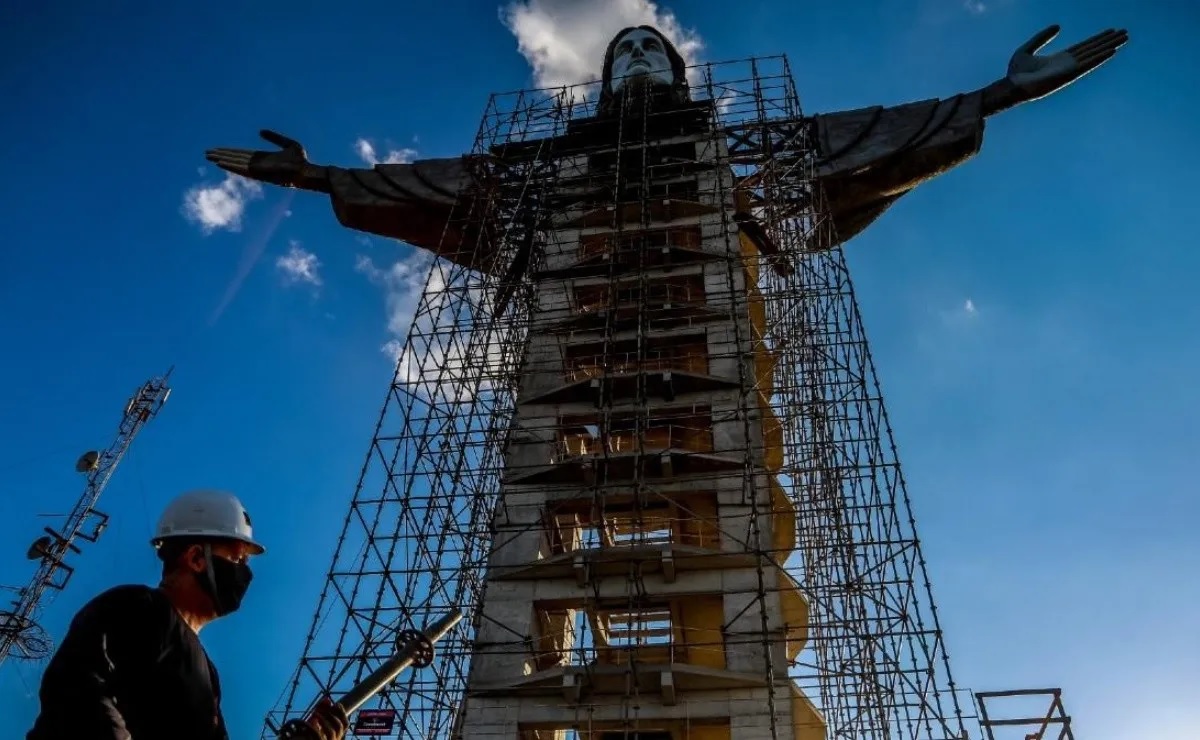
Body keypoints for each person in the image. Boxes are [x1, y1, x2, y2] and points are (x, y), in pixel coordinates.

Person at [26, 489, 348, 740]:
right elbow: (77, 691)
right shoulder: (136, 607)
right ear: (196, 558)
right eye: (237, 560)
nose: (245, 575)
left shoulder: (208, 675)